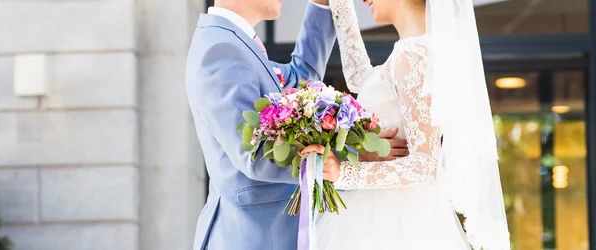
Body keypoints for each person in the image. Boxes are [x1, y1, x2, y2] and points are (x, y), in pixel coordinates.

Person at [185, 0, 409, 249]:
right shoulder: (220, 49)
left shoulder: (233, 43)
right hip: (253, 238)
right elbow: (254, 153)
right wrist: (352, 157)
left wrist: (322, 4)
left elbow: (301, 78)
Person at [301, 0, 511, 249]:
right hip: (391, 211)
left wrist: (343, 173)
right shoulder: (413, 51)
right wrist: (341, 4)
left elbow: (425, 165)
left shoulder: (414, 55)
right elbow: (360, 77)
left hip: (397, 220)